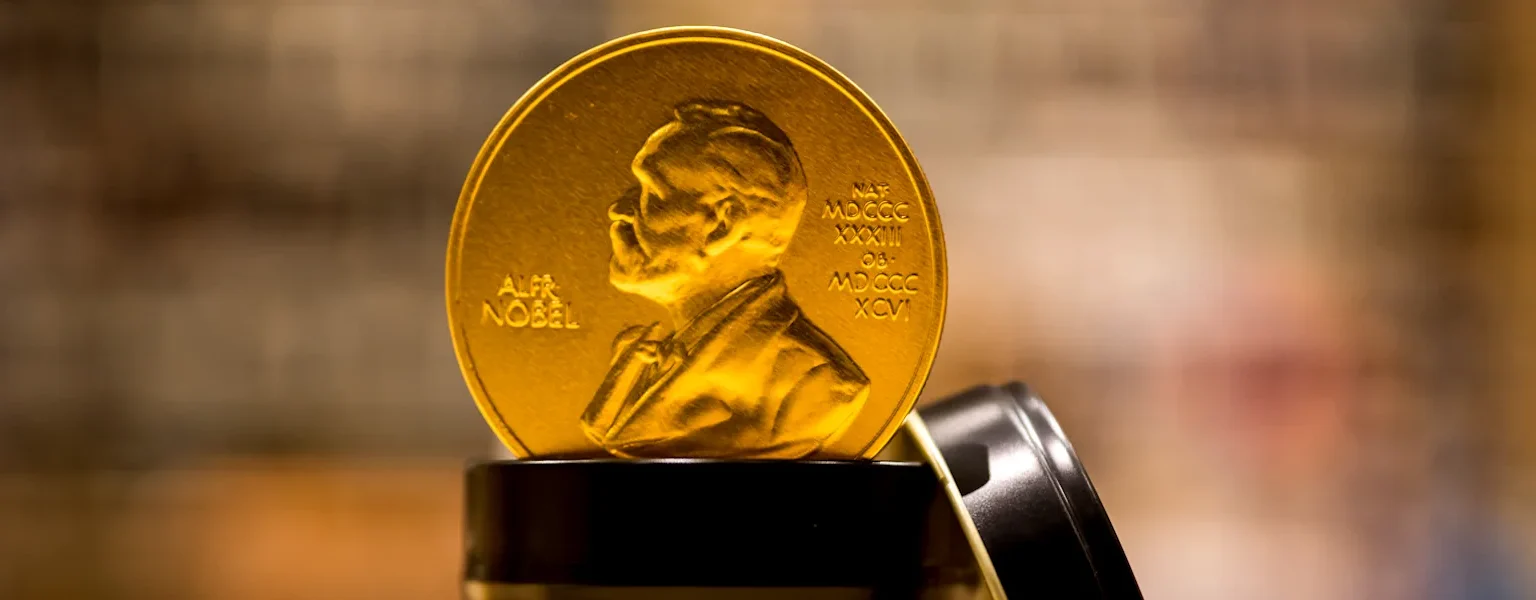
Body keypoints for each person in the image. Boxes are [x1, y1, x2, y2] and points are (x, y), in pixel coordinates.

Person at [579, 100, 869, 459]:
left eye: (651, 194)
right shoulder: (635, 349)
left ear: (722, 224)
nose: (619, 210)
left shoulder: (817, 384)